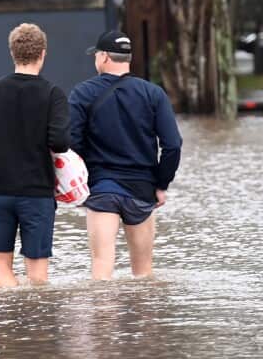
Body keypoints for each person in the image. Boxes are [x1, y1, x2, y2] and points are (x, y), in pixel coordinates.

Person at [68, 30, 182, 280]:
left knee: (101, 267)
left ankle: (104, 319)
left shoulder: (82, 93)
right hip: (142, 191)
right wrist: (161, 185)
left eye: (96, 54)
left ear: (105, 57)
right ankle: (144, 319)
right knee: (143, 275)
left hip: (101, 189)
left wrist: (78, 183)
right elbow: (172, 145)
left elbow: (71, 144)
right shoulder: (153, 94)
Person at [0, 23, 71, 287]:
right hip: (36, 193)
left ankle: (7, 326)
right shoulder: (52, 94)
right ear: (43, 54)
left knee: (1, 273)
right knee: (38, 278)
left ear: (12, 52)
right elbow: (60, 142)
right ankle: (34, 327)